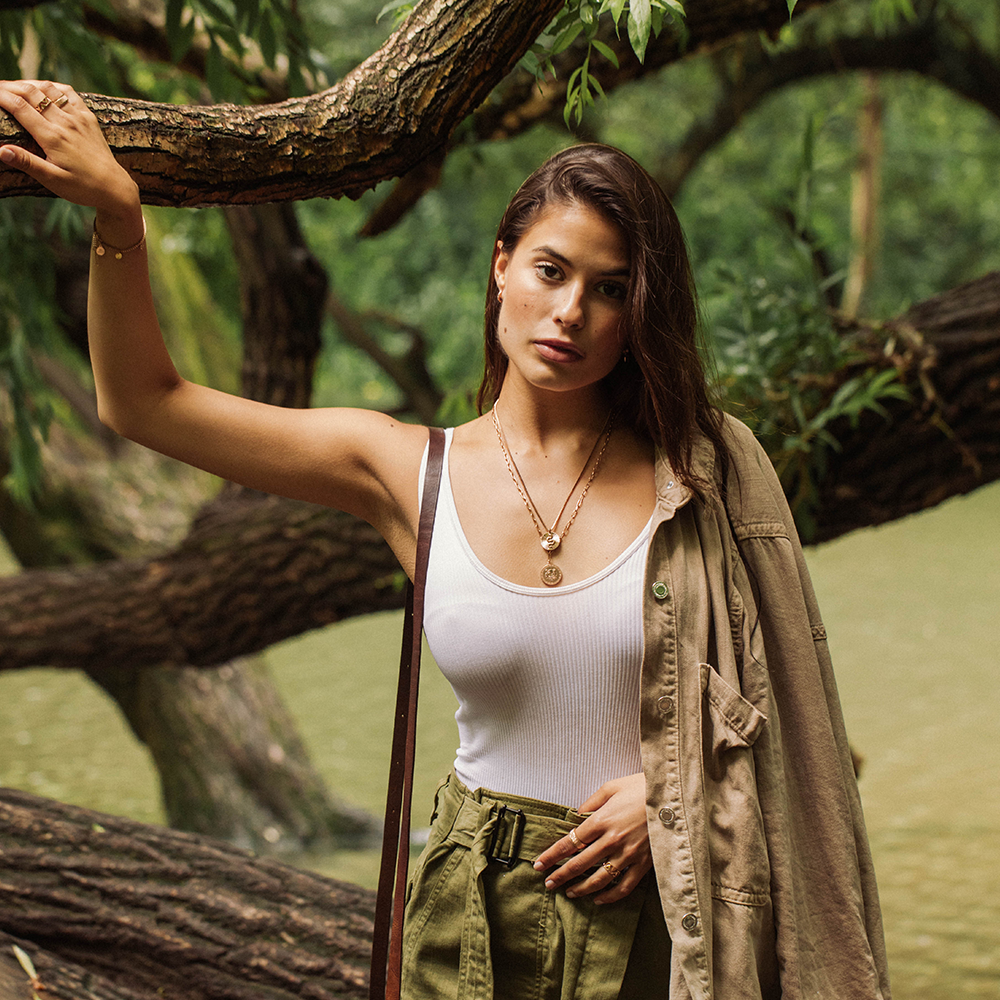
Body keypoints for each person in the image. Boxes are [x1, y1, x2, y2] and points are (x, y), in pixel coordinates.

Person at [0, 80, 891, 1000]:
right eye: (551, 271)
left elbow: (798, 710)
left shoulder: (704, 473)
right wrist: (117, 218)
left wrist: (673, 794)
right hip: (474, 908)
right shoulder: (406, 473)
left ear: (640, 312)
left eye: (610, 289)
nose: (571, 312)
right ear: (502, 266)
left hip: (665, 907)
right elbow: (144, 403)